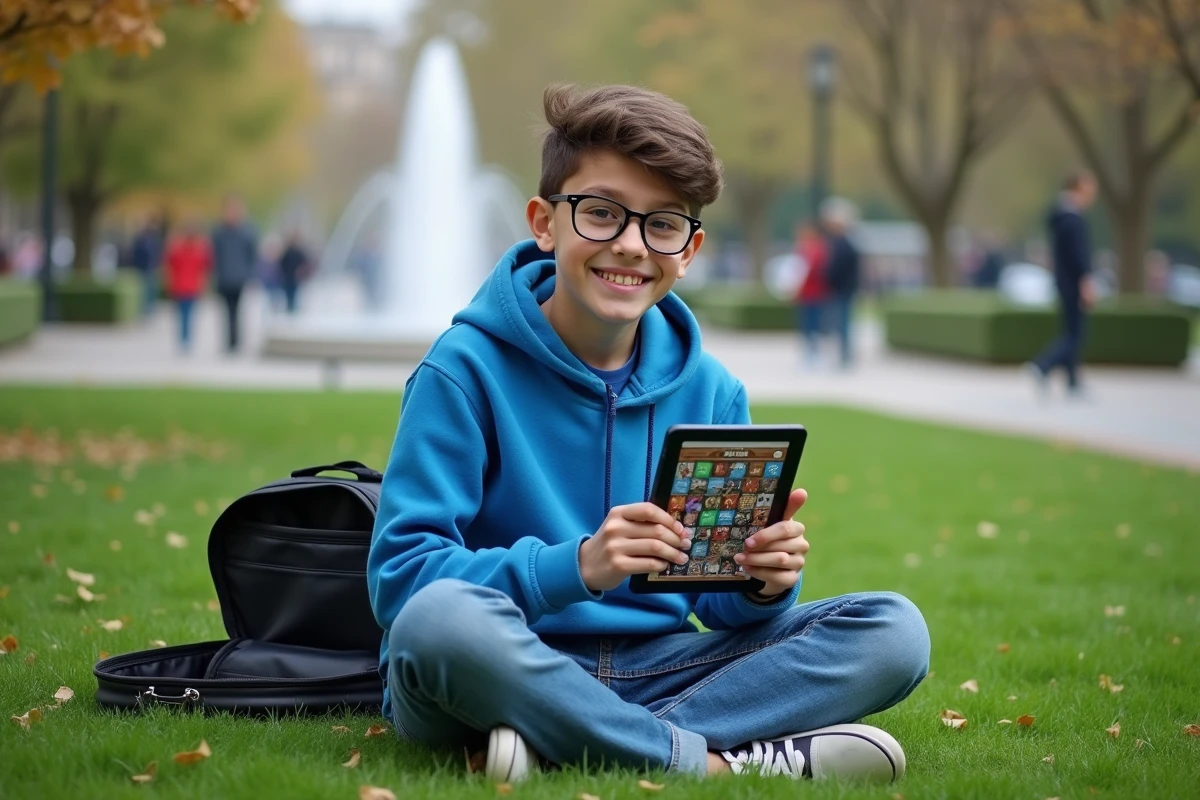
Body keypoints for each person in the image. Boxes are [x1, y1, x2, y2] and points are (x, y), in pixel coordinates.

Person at [367, 84, 929, 786]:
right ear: (545, 222)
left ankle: (559, 737)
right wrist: (578, 565)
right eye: (601, 213)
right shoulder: (461, 371)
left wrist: (759, 582)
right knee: (438, 623)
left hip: (660, 666)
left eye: (661, 224)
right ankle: (716, 764)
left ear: (688, 250)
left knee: (894, 632)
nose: (631, 245)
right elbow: (402, 580)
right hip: (504, 654)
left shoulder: (713, 391)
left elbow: (714, 601)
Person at [1027, 170, 1098, 397]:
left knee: (1071, 329)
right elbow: (1078, 255)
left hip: (1063, 280)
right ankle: (1043, 365)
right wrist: (1086, 280)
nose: (1093, 192)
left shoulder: (1059, 214)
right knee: (1075, 334)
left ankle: (1072, 381)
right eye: (1089, 187)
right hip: (1073, 282)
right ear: (1078, 187)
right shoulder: (1072, 218)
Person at [210, 194, 258, 353]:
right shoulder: (219, 232)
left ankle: (235, 341)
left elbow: (252, 255)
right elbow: (213, 255)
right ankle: (230, 341)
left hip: (239, 278)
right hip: (224, 277)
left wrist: (251, 275)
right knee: (226, 311)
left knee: (236, 310)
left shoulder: (247, 231)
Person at [821, 198, 861, 369]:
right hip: (844, 288)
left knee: (842, 323)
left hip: (842, 289)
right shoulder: (846, 242)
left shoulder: (842, 243)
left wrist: (829, 279)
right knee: (842, 323)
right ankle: (844, 354)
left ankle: (845, 355)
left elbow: (837, 267)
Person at [164, 221, 211, 353]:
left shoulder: (179, 248)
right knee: (187, 315)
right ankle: (186, 339)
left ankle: (184, 339)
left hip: (184, 287)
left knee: (184, 315)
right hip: (187, 287)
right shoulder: (197, 249)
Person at [791, 222, 829, 366]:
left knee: (814, 325)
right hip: (805, 294)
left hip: (815, 293)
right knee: (806, 325)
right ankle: (808, 354)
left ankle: (815, 354)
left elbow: (812, 270)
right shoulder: (801, 248)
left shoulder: (817, 248)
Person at [129, 212, 166, 319]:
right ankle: (145, 309)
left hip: (150, 268)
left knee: (150, 289)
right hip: (144, 267)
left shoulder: (154, 238)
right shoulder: (143, 238)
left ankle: (149, 309)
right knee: (145, 289)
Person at [277, 230, 311, 314]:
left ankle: (291, 309)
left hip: (292, 277)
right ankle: (291, 309)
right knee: (291, 295)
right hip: (290, 277)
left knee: (291, 295)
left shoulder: (292, 252)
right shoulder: (290, 252)